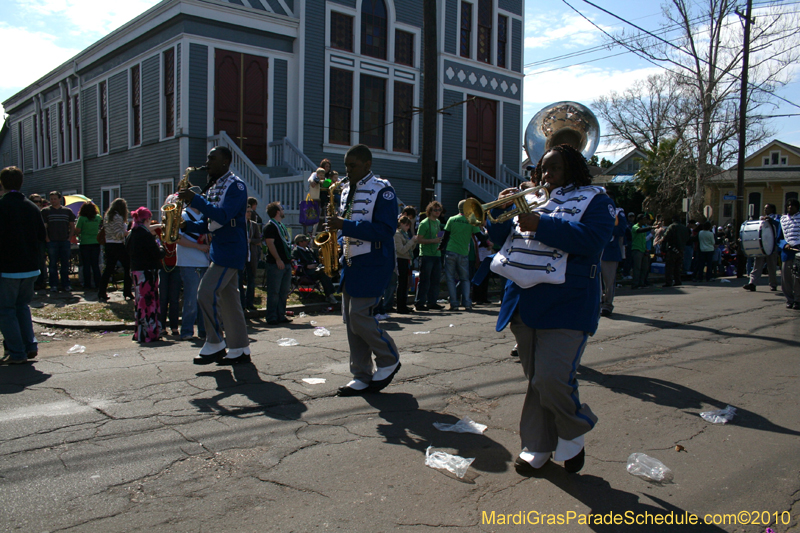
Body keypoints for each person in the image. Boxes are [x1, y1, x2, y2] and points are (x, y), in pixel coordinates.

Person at [483, 144, 615, 475]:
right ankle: (538, 445)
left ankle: (574, 428)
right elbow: (499, 235)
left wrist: (541, 224)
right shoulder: (535, 198)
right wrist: (505, 208)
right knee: (537, 381)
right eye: (543, 168)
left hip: (567, 304)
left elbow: (594, 239)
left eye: (554, 168)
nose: (546, 175)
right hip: (524, 302)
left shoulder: (595, 199)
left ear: (573, 169)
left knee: (552, 377)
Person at [326, 144, 401, 396]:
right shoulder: (346, 189)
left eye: (353, 166)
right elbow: (347, 225)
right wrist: (336, 247)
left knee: (359, 316)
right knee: (350, 320)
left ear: (367, 164)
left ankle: (389, 357)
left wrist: (345, 225)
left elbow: (385, 230)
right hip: (351, 261)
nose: (347, 171)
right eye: (346, 166)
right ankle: (361, 374)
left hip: (373, 261)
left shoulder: (383, 190)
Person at [177, 146, 251, 364]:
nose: (207, 162)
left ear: (225, 162)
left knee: (205, 293)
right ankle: (240, 349)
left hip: (230, 249)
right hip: (221, 248)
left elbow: (224, 215)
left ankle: (216, 342)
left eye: (212, 158)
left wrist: (196, 200)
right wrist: (185, 224)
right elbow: (210, 223)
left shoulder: (235, 185)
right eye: (207, 158)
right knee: (230, 302)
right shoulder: (215, 185)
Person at [0, 167, 47, 364]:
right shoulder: (32, 207)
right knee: (22, 307)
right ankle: (30, 345)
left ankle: (17, 352)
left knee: (6, 310)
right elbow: (41, 237)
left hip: (8, 267)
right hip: (30, 266)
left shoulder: (2, 207)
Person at [126, 207, 164, 343]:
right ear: (147, 219)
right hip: (147, 272)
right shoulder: (145, 235)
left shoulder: (132, 233)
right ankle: (150, 333)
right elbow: (156, 253)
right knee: (149, 302)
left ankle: (140, 332)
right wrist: (162, 248)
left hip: (136, 271)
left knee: (140, 302)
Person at [176, 192, 210, 340]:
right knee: (191, 299)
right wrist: (199, 247)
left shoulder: (204, 217)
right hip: (188, 261)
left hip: (205, 261)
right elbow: (177, 239)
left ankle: (203, 331)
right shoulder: (182, 216)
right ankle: (187, 331)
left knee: (204, 298)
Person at [443, 199, 480, 311]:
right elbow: (480, 236)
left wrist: (440, 247)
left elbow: (445, 236)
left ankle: (454, 304)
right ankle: (467, 303)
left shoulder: (452, 219)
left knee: (450, 278)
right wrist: (488, 240)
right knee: (465, 279)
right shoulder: (471, 220)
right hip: (464, 253)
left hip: (450, 251)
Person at [263, 201, 293, 325]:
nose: (283, 210)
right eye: (281, 208)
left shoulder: (281, 226)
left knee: (284, 291)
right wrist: (278, 259)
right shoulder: (270, 226)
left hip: (286, 262)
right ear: (277, 212)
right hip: (276, 263)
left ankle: (281, 315)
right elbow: (270, 244)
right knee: (274, 291)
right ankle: (271, 317)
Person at [155, 197, 182, 337]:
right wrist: (162, 224)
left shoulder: (178, 230)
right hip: (163, 267)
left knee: (174, 298)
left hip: (176, 266)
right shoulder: (160, 228)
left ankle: (174, 327)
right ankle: (161, 326)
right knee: (163, 297)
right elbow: (147, 229)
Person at [97, 198, 133, 302]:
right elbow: (118, 234)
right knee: (127, 266)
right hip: (118, 245)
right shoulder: (118, 217)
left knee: (108, 269)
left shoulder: (108, 216)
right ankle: (127, 291)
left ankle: (102, 291)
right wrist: (128, 232)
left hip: (109, 244)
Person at [41, 190, 76, 293]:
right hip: (52, 241)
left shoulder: (67, 211)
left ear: (60, 199)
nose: (53, 201)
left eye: (55, 199)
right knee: (52, 265)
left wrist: (69, 238)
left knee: (65, 264)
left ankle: (66, 284)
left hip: (64, 240)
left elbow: (72, 225)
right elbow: (44, 227)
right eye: (51, 199)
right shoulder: (46, 211)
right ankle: (53, 285)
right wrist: (47, 238)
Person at [291, 234, 338, 305]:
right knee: (322, 273)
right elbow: (295, 264)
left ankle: (330, 294)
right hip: (305, 273)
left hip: (314, 271)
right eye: (305, 241)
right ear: (300, 242)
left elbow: (316, 260)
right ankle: (329, 295)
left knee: (325, 271)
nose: (307, 242)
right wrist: (307, 266)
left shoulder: (309, 250)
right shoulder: (296, 251)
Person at [742, 204, 780, 292]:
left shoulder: (777, 217)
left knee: (771, 266)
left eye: (767, 208)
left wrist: (771, 220)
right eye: (765, 208)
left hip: (772, 245)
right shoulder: (762, 218)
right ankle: (752, 283)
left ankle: (773, 284)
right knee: (757, 265)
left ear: (772, 209)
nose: (765, 210)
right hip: (761, 244)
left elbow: (779, 225)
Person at [414, 201, 444, 311]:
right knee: (425, 280)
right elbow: (419, 239)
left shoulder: (437, 222)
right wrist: (433, 241)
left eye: (439, 210)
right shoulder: (424, 223)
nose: (437, 212)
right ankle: (419, 303)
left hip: (436, 254)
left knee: (435, 280)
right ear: (430, 211)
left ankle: (432, 302)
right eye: (435, 210)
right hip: (426, 255)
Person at [600, 203, 626, 317]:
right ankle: (598, 304)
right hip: (596, 251)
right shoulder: (596, 210)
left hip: (609, 252)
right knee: (595, 281)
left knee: (609, 281)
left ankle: (607, 305)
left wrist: (605, 227)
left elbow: (621, 230)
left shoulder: (618, 212)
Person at [74, 201, 103, 291]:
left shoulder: (82, 218)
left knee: (86, 264)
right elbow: (102, 228)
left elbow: (77, 231)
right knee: (95, 264)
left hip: (85, 243)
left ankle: (87, 284)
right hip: (96, 242)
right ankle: (98, 283)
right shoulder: (98, 217)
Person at [239, 201, 261, 311]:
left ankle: (249, 303)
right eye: (247, 212)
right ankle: (241, 304)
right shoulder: (238, 224)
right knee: (239, 281)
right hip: (241, 255)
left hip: (251, 256)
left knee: (251, 280)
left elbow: (259, 240)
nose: (249, 214)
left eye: (250, 212)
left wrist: (250, 240)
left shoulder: (253, 225)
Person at [779, 199, 800, 309]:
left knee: (797, 278)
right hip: (787, 253)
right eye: (788, 206)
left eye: (792, 206)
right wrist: (784, 244)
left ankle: (798, 299)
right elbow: (779, 238)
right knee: (786, 278)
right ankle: (789, 299)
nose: (790, 207)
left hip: (798, 252)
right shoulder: (783, 220)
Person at [393, 216, 418, 314]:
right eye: (407, 225)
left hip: (407, 259)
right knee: (402, 284)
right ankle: (400, 306)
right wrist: (411, 241)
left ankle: (404, 304)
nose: (408, 227)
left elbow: (409, 249)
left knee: (406, 284)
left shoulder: (405, 234)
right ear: (401, 224)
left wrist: (413, 242)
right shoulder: (397, 234)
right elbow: (401, 250)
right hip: (401, 260)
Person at [662, 214, 690, 287]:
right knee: (678, 266)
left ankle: (669, 281)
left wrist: (663, 248)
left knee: (669, 267)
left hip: (672, 249)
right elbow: (688, 238)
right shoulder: (685, 228)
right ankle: (677, 280)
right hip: (681, 250)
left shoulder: (672, 226)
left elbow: (666, 237)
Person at [29, 194, 48, 290]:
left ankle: (41, 281)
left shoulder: (43, 213)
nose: (37, 204)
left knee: (41, 261)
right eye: (35, 201)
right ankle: (33, 282)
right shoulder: (27, 212)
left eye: (39, 202)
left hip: (40, 240)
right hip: (30, 240)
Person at [630, 215, 651, 289]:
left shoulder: (644, 228)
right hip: (637, 249)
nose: (645, 221)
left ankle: (642, 283)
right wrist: (650, 228)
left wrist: (646, 249)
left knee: (645, 267)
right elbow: (639, 231)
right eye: (644, 219)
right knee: (637, 267)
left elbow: (643, 240)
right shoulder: (635, 227)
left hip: (643, 249)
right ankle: (635, 283)